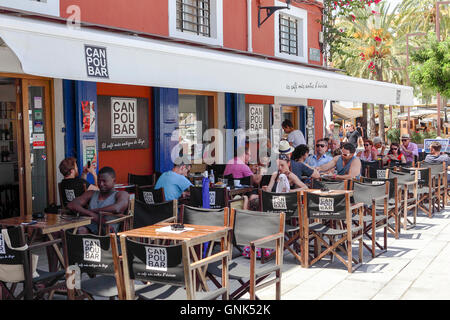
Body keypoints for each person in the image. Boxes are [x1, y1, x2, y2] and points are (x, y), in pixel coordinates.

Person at [67, 167, 130, 235]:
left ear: (114, 181)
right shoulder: (91, 193)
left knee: (80, 231)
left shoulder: (121, 194)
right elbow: (71, 205)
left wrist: (94, 211)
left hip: (108, 231)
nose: (101, 184)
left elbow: (117, 208)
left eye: (104, 181)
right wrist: (91, 214)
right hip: (90, 227)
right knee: (64, 231)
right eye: (99, 181)